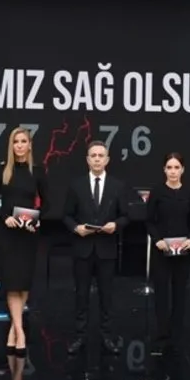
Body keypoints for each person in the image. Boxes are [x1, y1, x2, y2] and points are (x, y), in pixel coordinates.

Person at [0, 127, 47, 357]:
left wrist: (35, 221)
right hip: (8, 233)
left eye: (23, 141)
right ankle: (20, 332)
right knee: (11, 283)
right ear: (11, 145)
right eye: (16, 142)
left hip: (28, 234)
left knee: (23, 283)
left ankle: (13, 329)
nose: (19, 145)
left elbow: (48, 203)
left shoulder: (37, 172)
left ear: (29, 145)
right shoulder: (2, 170)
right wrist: (4, 217)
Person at [63, 140, 130, 356]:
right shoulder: (76, 185)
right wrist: (76, 228)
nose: (97, 159)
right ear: (87, 160)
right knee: (81, 295)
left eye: (101, 156)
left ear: (107, 159)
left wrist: (115, 225)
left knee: (107, 296)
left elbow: (126, 216)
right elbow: (66, 215)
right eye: (94, 156)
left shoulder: (118, 186)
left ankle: (107, 336)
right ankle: (79, 336)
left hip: (106, 249)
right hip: (82, 248)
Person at [145, 152, 190, 354]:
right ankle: (162, 335)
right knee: (161, 293)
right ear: (164, 170)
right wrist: (157, 240)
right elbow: (149, 221)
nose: (173, 171)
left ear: (183, 170)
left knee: (180, 292)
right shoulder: (157, 192)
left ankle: (177, 335)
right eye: (169, 167)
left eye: (176, 167)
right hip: (162, 250)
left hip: (184, 251)